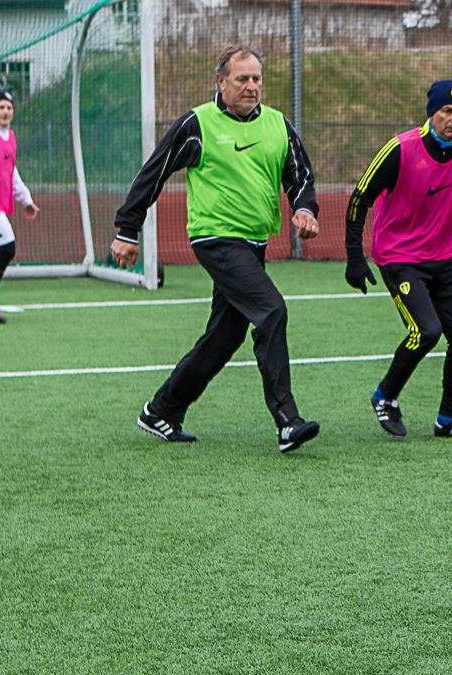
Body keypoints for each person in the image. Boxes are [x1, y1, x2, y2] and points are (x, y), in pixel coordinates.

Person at [112, 45, 322, 453]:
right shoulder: (198, 124)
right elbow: (152, 173)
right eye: (242, 79)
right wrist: (127, 228)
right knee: (272, 310)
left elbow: (300, 177)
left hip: (254, 242)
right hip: (216, 238)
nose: (251, 86)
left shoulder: (278, 124)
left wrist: (304, 208)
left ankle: (162, 410)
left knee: (225, 336)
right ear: (221, 82)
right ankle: (287, 420)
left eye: (257, 78)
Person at [344, 80, 452, 439]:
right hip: (398, 255)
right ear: (431, 113)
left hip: (446, 255)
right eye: (447, 111)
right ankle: (385, 396)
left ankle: (449, 419)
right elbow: (360, 199)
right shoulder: (401, 149)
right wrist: (354, 258)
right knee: (426, 331)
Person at [0, 90, 39, 324]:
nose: (5, 111)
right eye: (0, 107)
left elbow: (10, 170)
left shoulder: (10, 136)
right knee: (6, 249)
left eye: (9, 107)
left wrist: (26, 198)